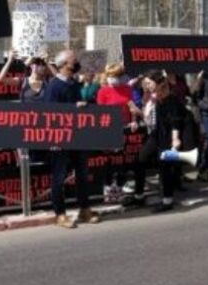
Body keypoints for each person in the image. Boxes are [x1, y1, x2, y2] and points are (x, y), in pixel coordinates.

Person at [44, 50, 100, 228]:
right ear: (62, 65)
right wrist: (73, 107)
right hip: (59, 138)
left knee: (82, 174)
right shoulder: (53, 86)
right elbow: (50, 112)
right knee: (59, 178)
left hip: (77, 136)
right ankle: (60, 214)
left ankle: (84, 209)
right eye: (73, 61)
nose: (76, 63)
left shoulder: (74, 84)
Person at [143, 70, 194, 211]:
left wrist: (175, 140)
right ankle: (141, 195)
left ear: (159, 84)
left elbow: (175, 123)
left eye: (149, 82)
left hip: (169, 138)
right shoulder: (157, 99)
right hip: (159, 136)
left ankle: (167, 201)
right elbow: (149, 117)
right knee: (143, 159)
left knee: (165, 168)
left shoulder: (171, 101)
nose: (147, 85)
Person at [96, 63, 141, 201]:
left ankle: (120, 187)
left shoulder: (127, 89)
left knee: (122, 159)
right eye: (110, 76)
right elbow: (100, 112)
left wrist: (134, 121)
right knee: (109, 160)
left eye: (115, 76)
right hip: (109, 129)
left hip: (125, 127)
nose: (112, 79)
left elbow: (131, 106)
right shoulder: (103, 91)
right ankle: (108, 188)